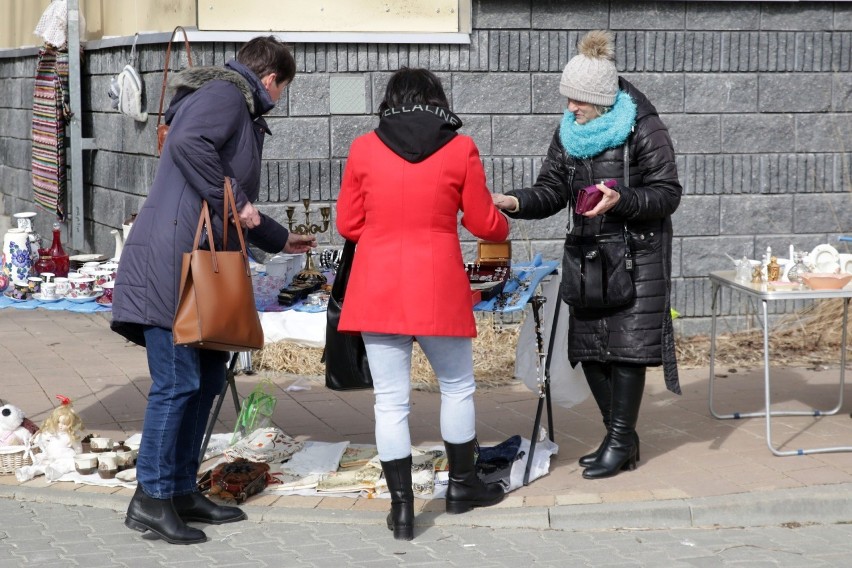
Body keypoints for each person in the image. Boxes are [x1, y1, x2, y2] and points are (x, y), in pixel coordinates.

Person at [111, 36, 316, 545]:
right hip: (175, 263)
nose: (279, 98)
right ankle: (151, 499)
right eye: (282, 89)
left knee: (202, 382)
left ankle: (180, 490)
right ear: (271, 80)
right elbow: (189, 148)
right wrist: (246, 206)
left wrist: (276, 234)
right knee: (177, 383)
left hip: (196, 261)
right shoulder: (227, 96)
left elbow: (226, 195)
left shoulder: (232, 99)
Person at [493, 30, 682, 480]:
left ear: (601, 97)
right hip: (589, 256)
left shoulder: (643, 126)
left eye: (578, 100)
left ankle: (619, 442)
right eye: (569, 99)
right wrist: (515, 202)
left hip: (637, 257)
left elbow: (668, 193)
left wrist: (624, 201)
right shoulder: (569, 132)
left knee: (626, 352)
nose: (570, 108)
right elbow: (552, 190)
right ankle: (621, 440)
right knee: (590, 350)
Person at [335, 68, 509, 541]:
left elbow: (349, 224)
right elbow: (482, 222)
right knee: (456, 387)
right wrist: (502, 219)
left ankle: (403, 510)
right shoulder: (460, 146)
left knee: (389, 402)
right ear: (436, 100)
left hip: (378, 284)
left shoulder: (364, 147)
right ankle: (462, 487)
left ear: (391, 101)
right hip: (437, 282)